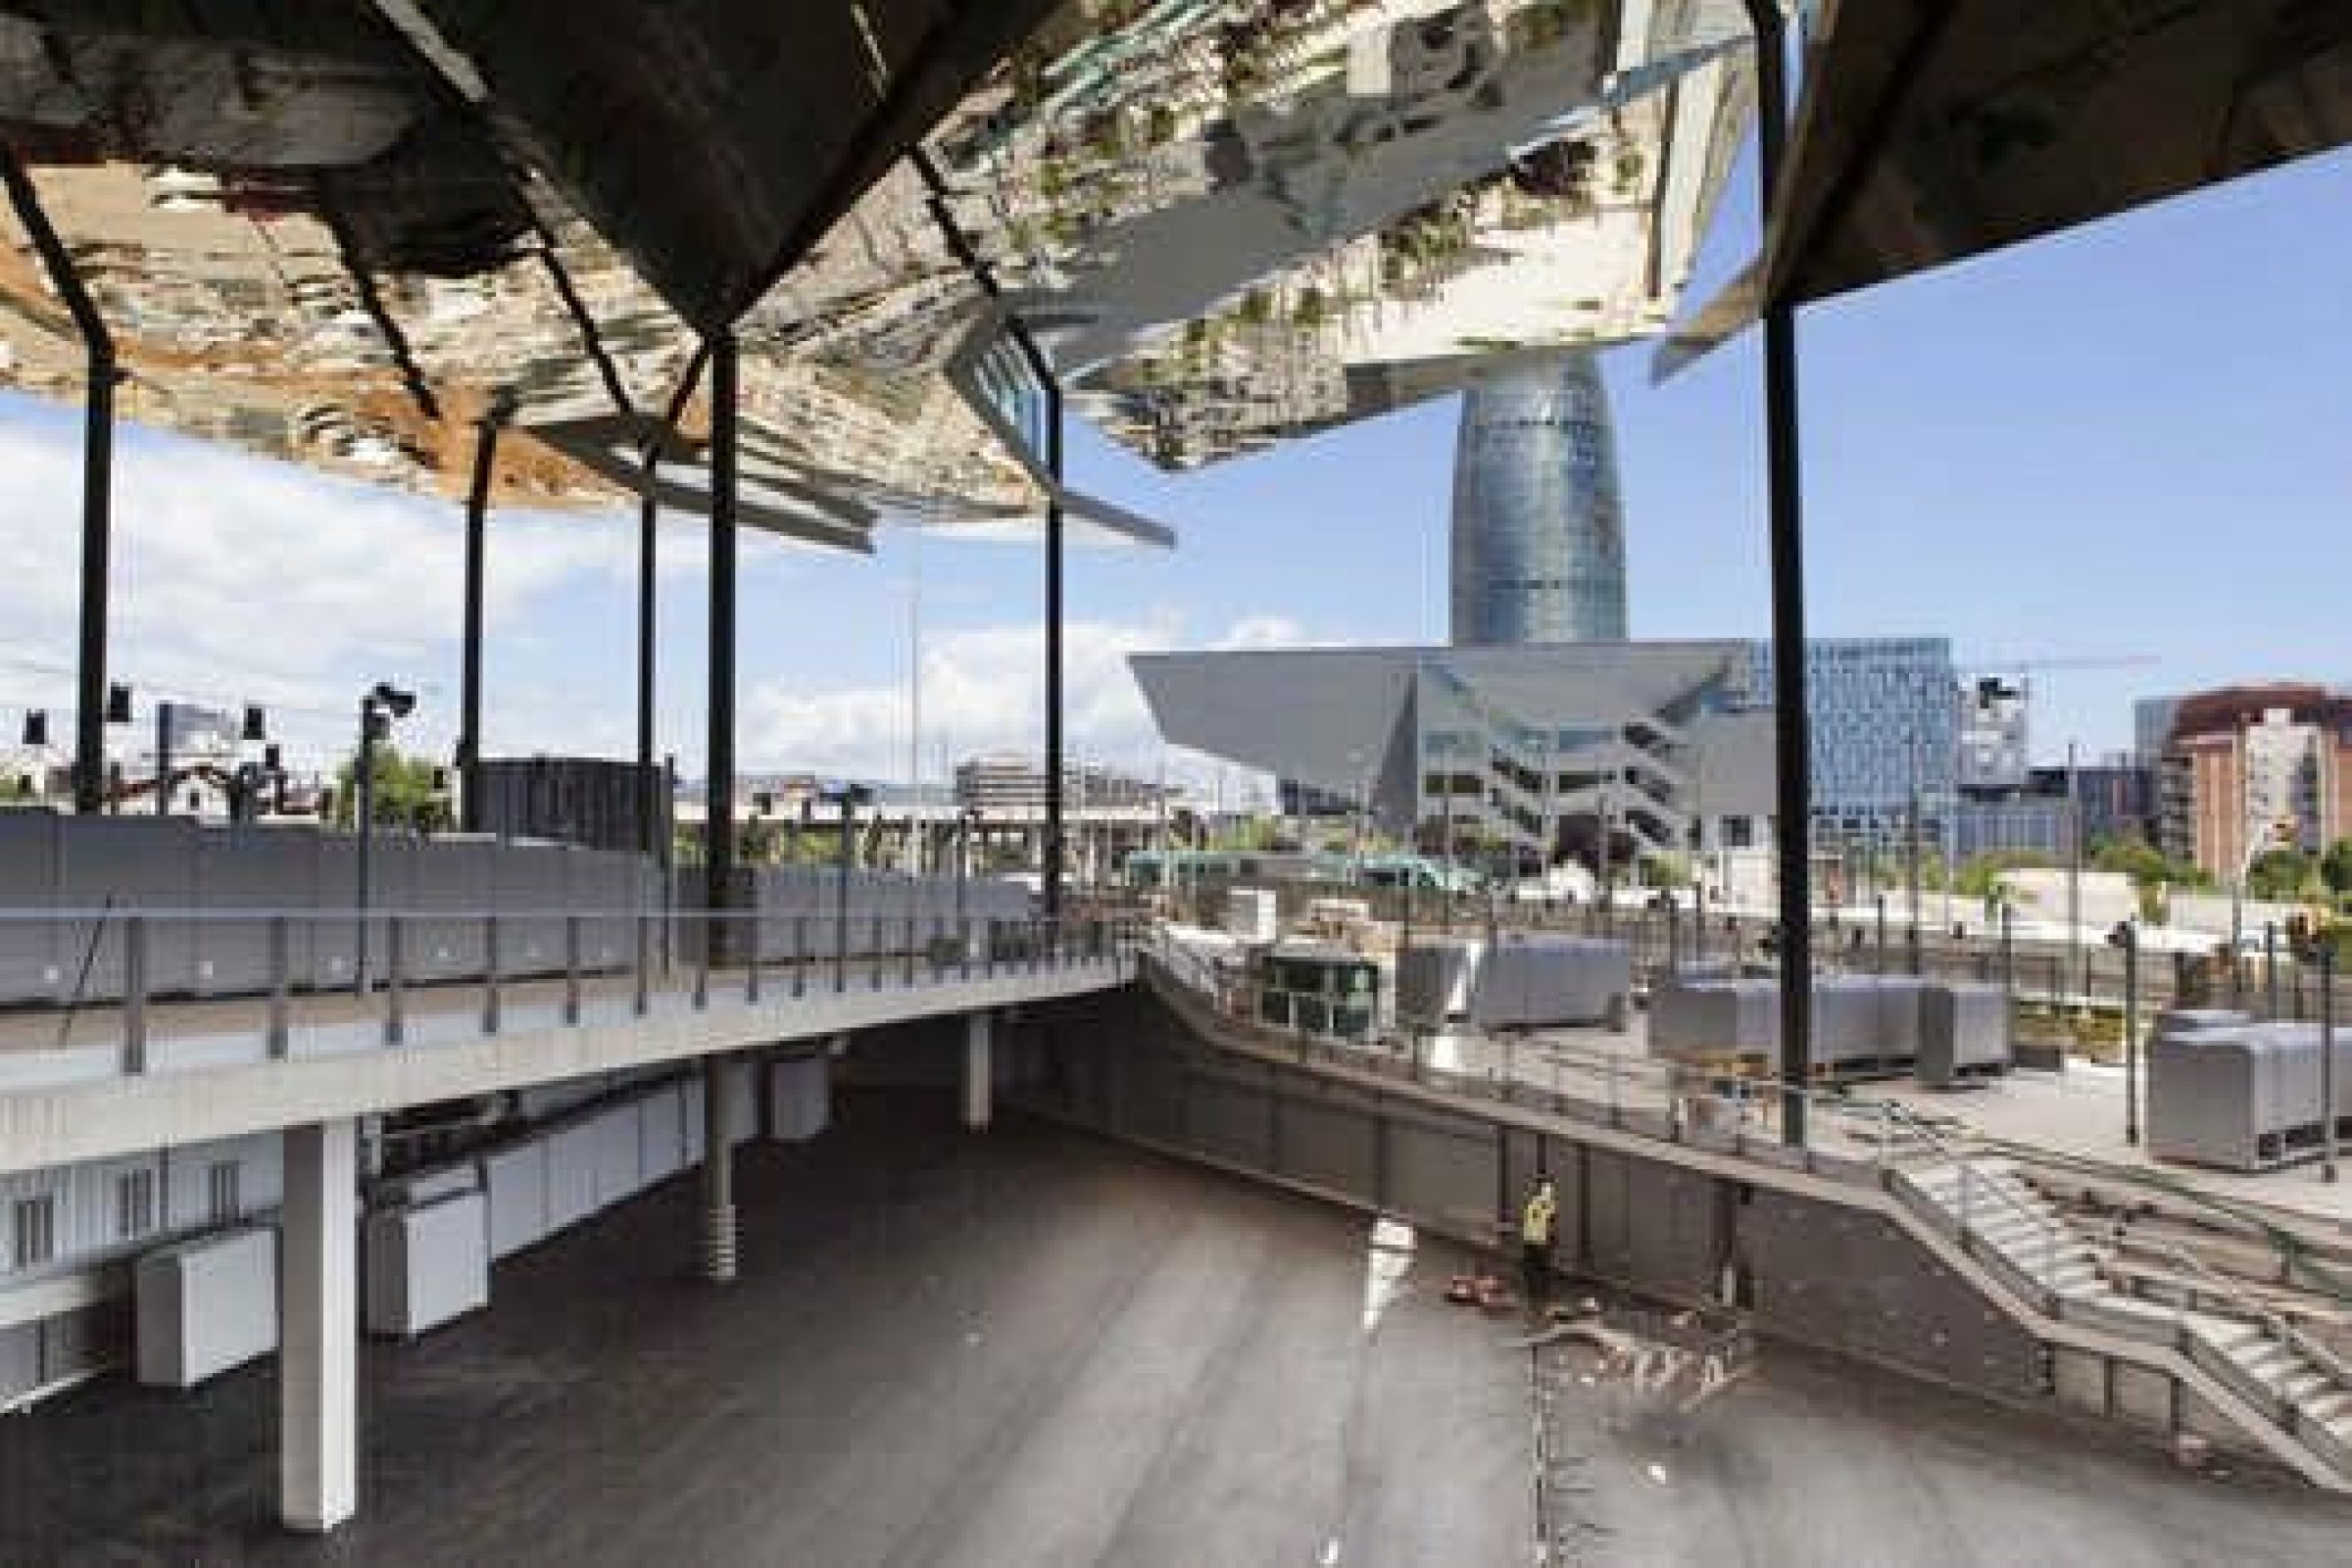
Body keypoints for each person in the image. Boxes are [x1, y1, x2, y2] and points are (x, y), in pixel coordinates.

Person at [1520, 1175, 1557, 1305]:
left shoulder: (1535, 1202)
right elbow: (1550, 1221)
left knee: (1532, 1266)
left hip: (1533, 1239)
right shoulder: (1547, 1202)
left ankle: (1536, 1293)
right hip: (1540, 1239)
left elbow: (1546, 1221)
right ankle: (1542, 1293)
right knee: (1541, 1267)